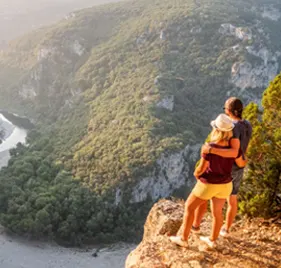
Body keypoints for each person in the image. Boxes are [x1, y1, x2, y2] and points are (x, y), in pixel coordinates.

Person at [170, 114, 246, 248]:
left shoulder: (209, 147)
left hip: (209, 184)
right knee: (217, 213)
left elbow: (202, 167)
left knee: (189, 207)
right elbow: (240, 163)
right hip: (226, 185)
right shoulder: (233, 149)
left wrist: (196, 173)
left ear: (216, 130)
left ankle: (183, 239)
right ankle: (212, 240)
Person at [192, 97, 252, 237]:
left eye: (225, 109)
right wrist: (242, 160)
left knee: (205, 194)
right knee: (232, 198)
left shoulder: (233, 127)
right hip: (239, 167)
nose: (225, 111)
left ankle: (196, 225)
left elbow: (233, 151)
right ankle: (226, 229)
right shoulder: (247, 124)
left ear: (229, 111)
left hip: (227, 166)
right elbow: (243, 148)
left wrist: (211, 151)